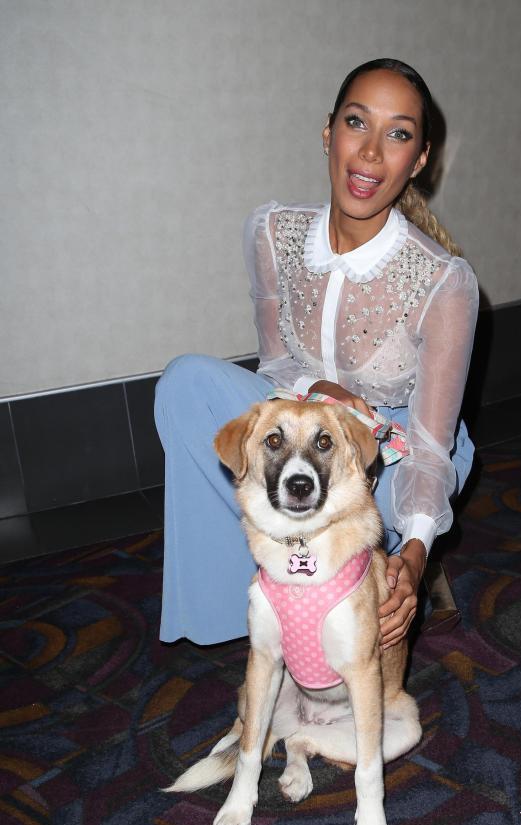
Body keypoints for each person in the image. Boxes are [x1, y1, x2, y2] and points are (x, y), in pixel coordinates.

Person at [154, 57, 479, 651]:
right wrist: (318, 393)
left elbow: (433, 447)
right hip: (307, 426)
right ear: (329, 131)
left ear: (421, 159)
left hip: (392, 456)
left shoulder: (443, 282)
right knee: (185, 385)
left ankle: (402, 560)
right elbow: (275, 368)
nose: (372, 153)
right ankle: (255, 605)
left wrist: (413, 553)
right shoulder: (272, 234)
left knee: (397, 533)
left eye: (399, 134)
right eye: (358, 123)